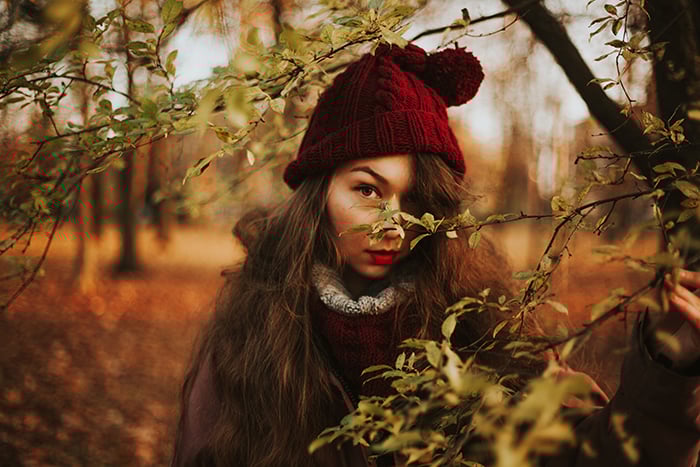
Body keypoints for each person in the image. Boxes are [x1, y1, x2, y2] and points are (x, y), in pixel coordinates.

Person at [171, 42, 700, 466]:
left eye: (416, 199)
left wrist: (666, 370)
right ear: (319, 191)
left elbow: (596, 453)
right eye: (367, 189)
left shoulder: (485, 325)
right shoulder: (251, 337)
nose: (394, 224)